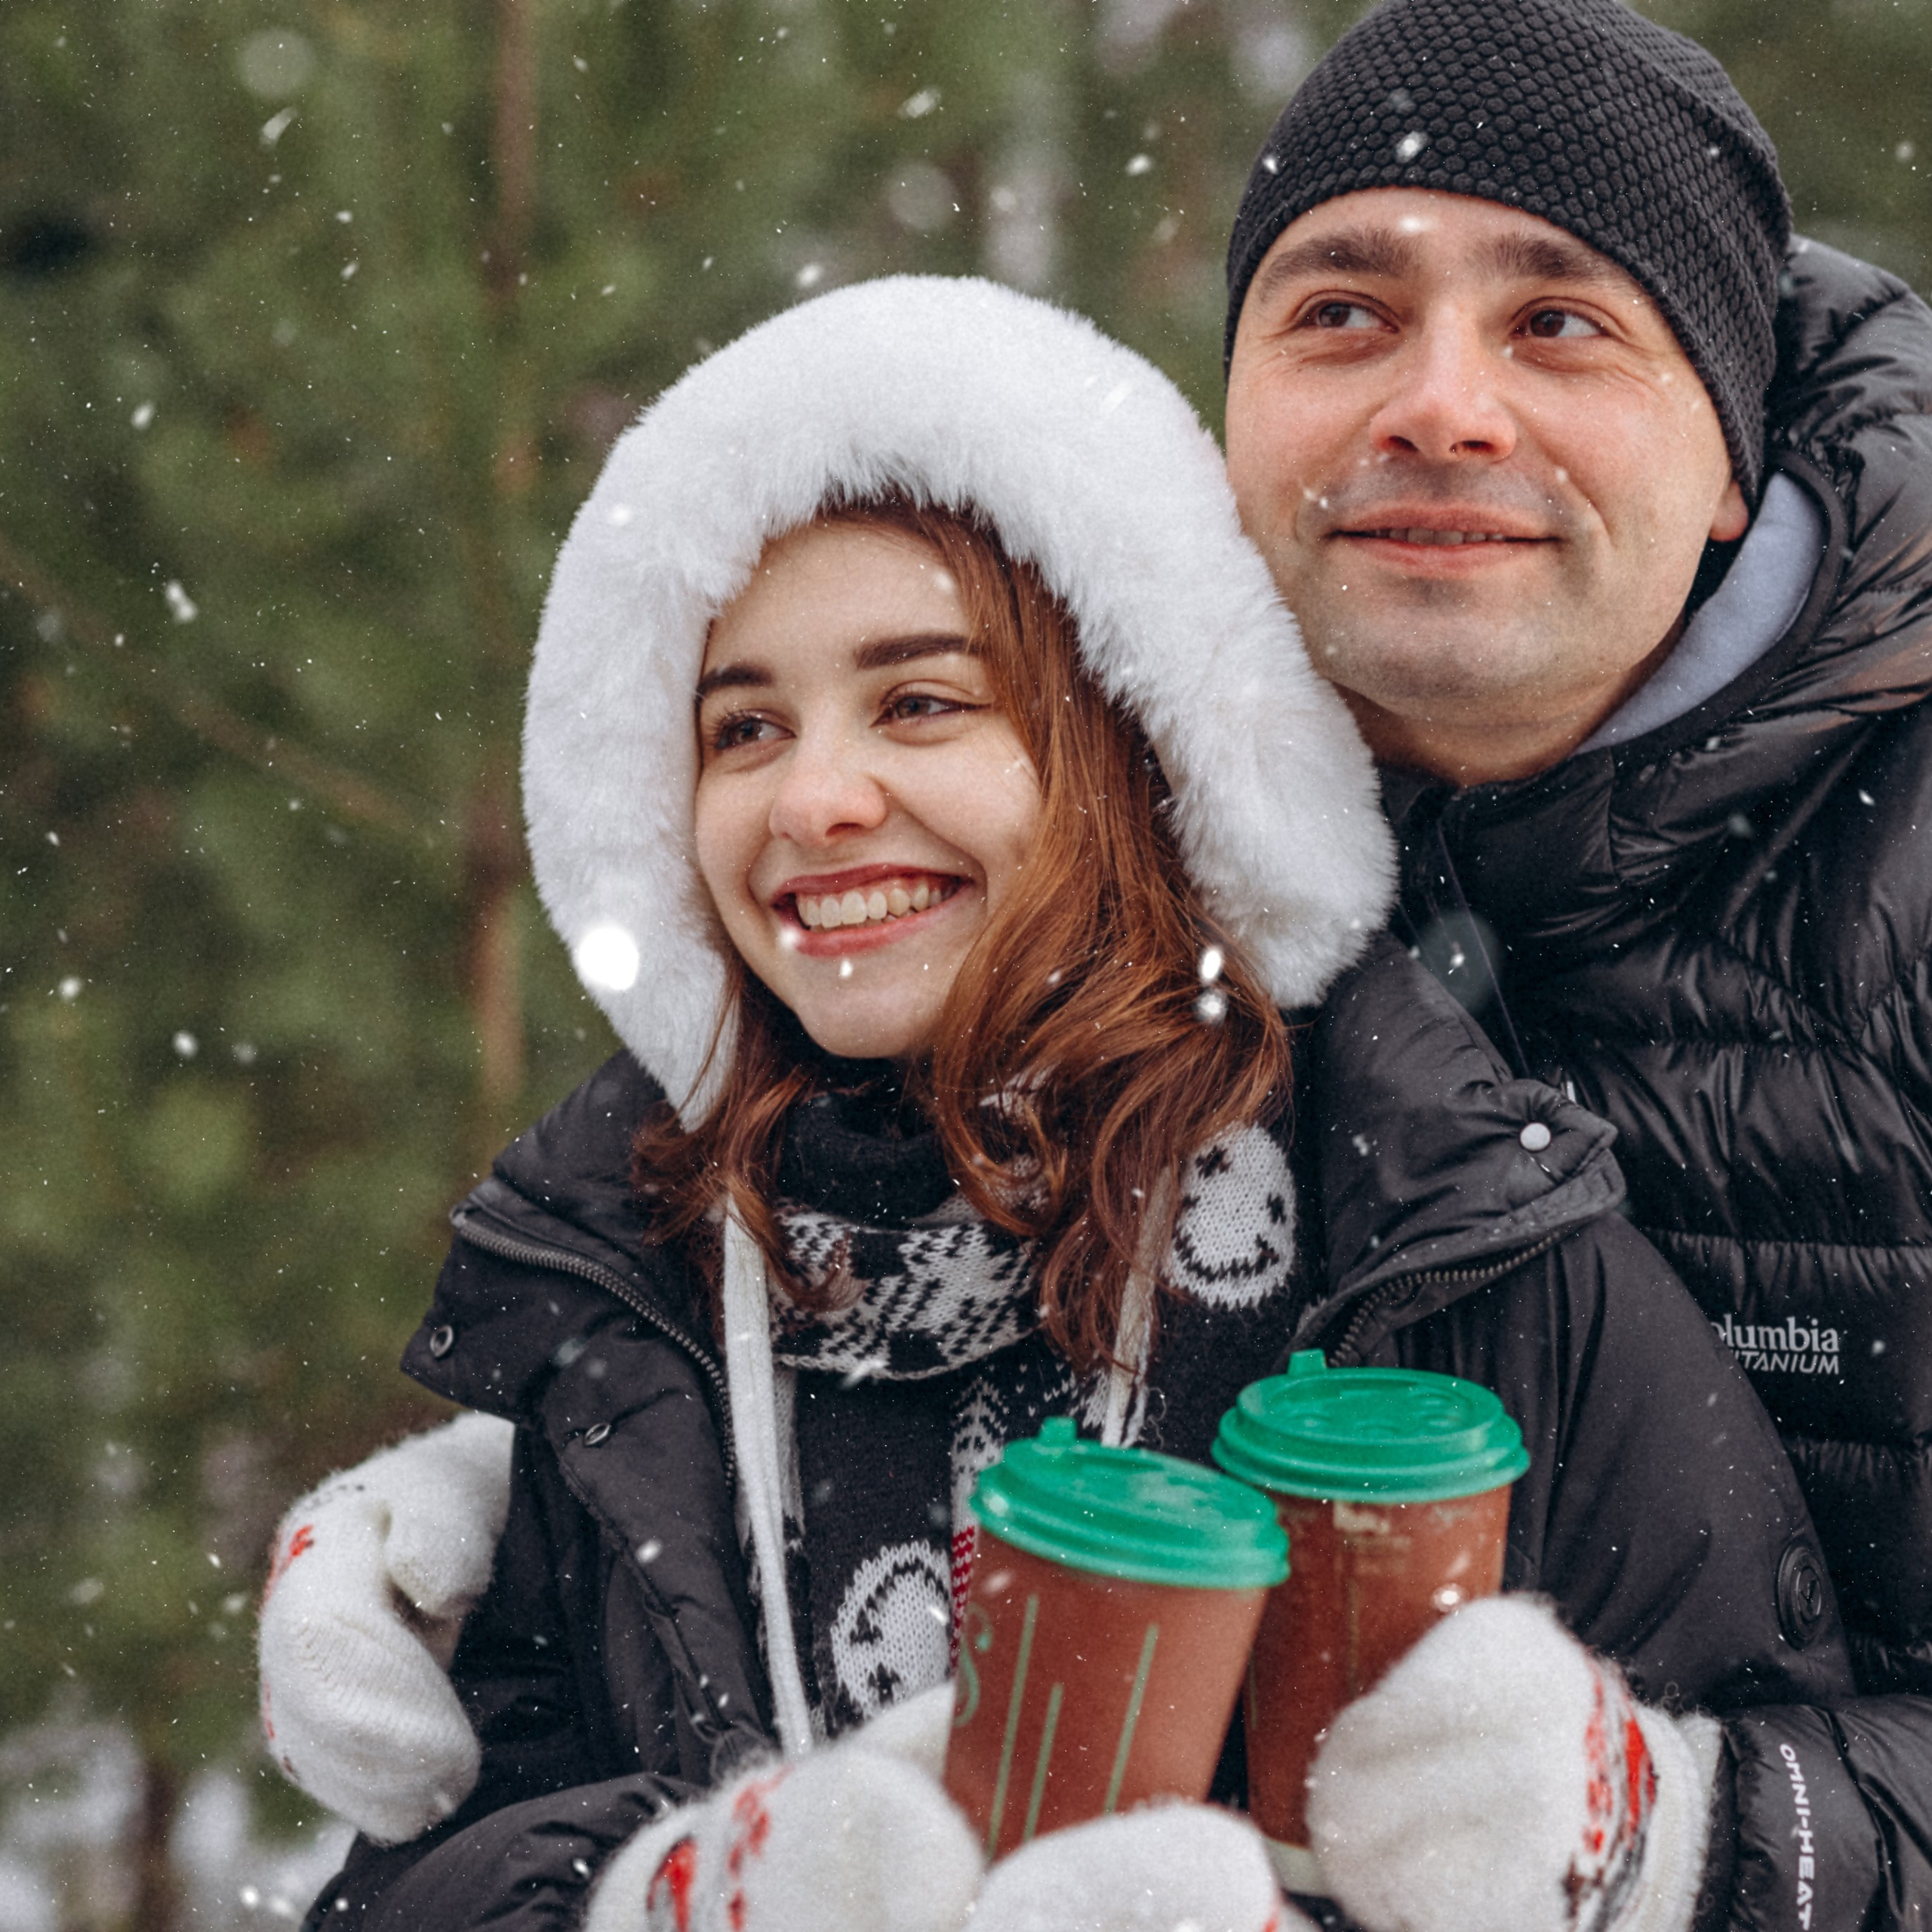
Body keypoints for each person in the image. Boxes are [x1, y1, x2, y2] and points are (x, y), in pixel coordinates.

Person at [259, 275, 1846, 1932]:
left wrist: (1613, 1847)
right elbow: (407, 1882)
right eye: (741, 726)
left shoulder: (1442, 1241)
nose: (812, 795)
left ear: (1128, 742)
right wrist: (641, 1900)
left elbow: (1797, 1813)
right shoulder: (641, 1280)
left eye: (920, 698)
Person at [1220, 0, 1932, 1924]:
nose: (1437, 404)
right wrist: (532, 1519)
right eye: (1339, 311)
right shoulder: (1070, 848)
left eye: (1556, 321)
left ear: (1726, 459)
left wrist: (1696, 1831)